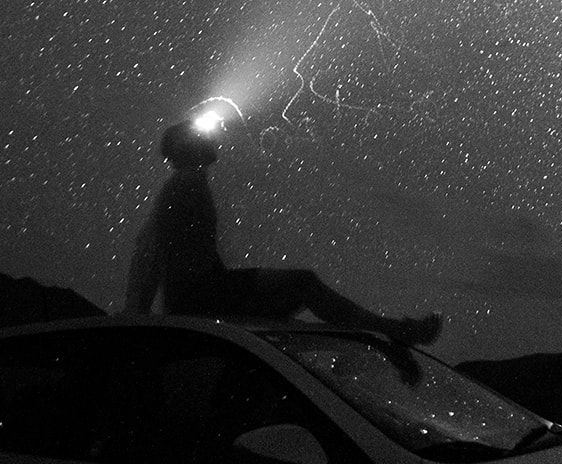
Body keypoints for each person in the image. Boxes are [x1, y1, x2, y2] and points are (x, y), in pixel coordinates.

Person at [125, 119, 440, 348]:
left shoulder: (186, 184)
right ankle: (389, 331)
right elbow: (150, 250)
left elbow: (152, 251)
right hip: (204, 294)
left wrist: (141, 315)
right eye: (200, 135)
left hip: (201, 293)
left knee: (296, 296)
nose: (212, 138)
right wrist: (138, 317)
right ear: (186, 146)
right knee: (302, 284)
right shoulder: (186, 184)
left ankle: (386, 333)